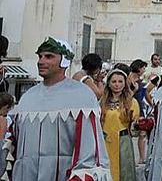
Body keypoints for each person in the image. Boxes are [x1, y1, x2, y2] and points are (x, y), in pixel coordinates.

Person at [9, 37, 111, 180]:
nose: (41, 61)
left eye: (49, 56)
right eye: (40, 56)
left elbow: (89, 149)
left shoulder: (82, 96)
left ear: (64, 61)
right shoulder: (28, 98)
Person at [100, 68, 140, 181]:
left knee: (124, 173)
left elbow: (135, 128)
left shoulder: (131, 102)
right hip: (105, 142)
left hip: (123, 142)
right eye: (114, 81)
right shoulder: (102, 102)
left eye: (120, 81)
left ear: (125, 83)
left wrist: (137, 125)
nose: (117, 85)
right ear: (109, 83)